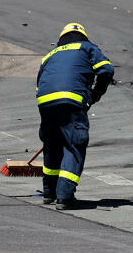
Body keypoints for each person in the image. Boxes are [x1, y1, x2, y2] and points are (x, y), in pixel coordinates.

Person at [36, 22, 114, 209]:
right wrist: (95, 94)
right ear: (83, 36)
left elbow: (39, 83)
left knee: (52, 144)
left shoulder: (49, 55)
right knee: (74, 146)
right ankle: (64, 196)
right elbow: (107, 69)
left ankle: (49, 193)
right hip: (71, 100)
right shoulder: (86, 47)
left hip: (45, 101)